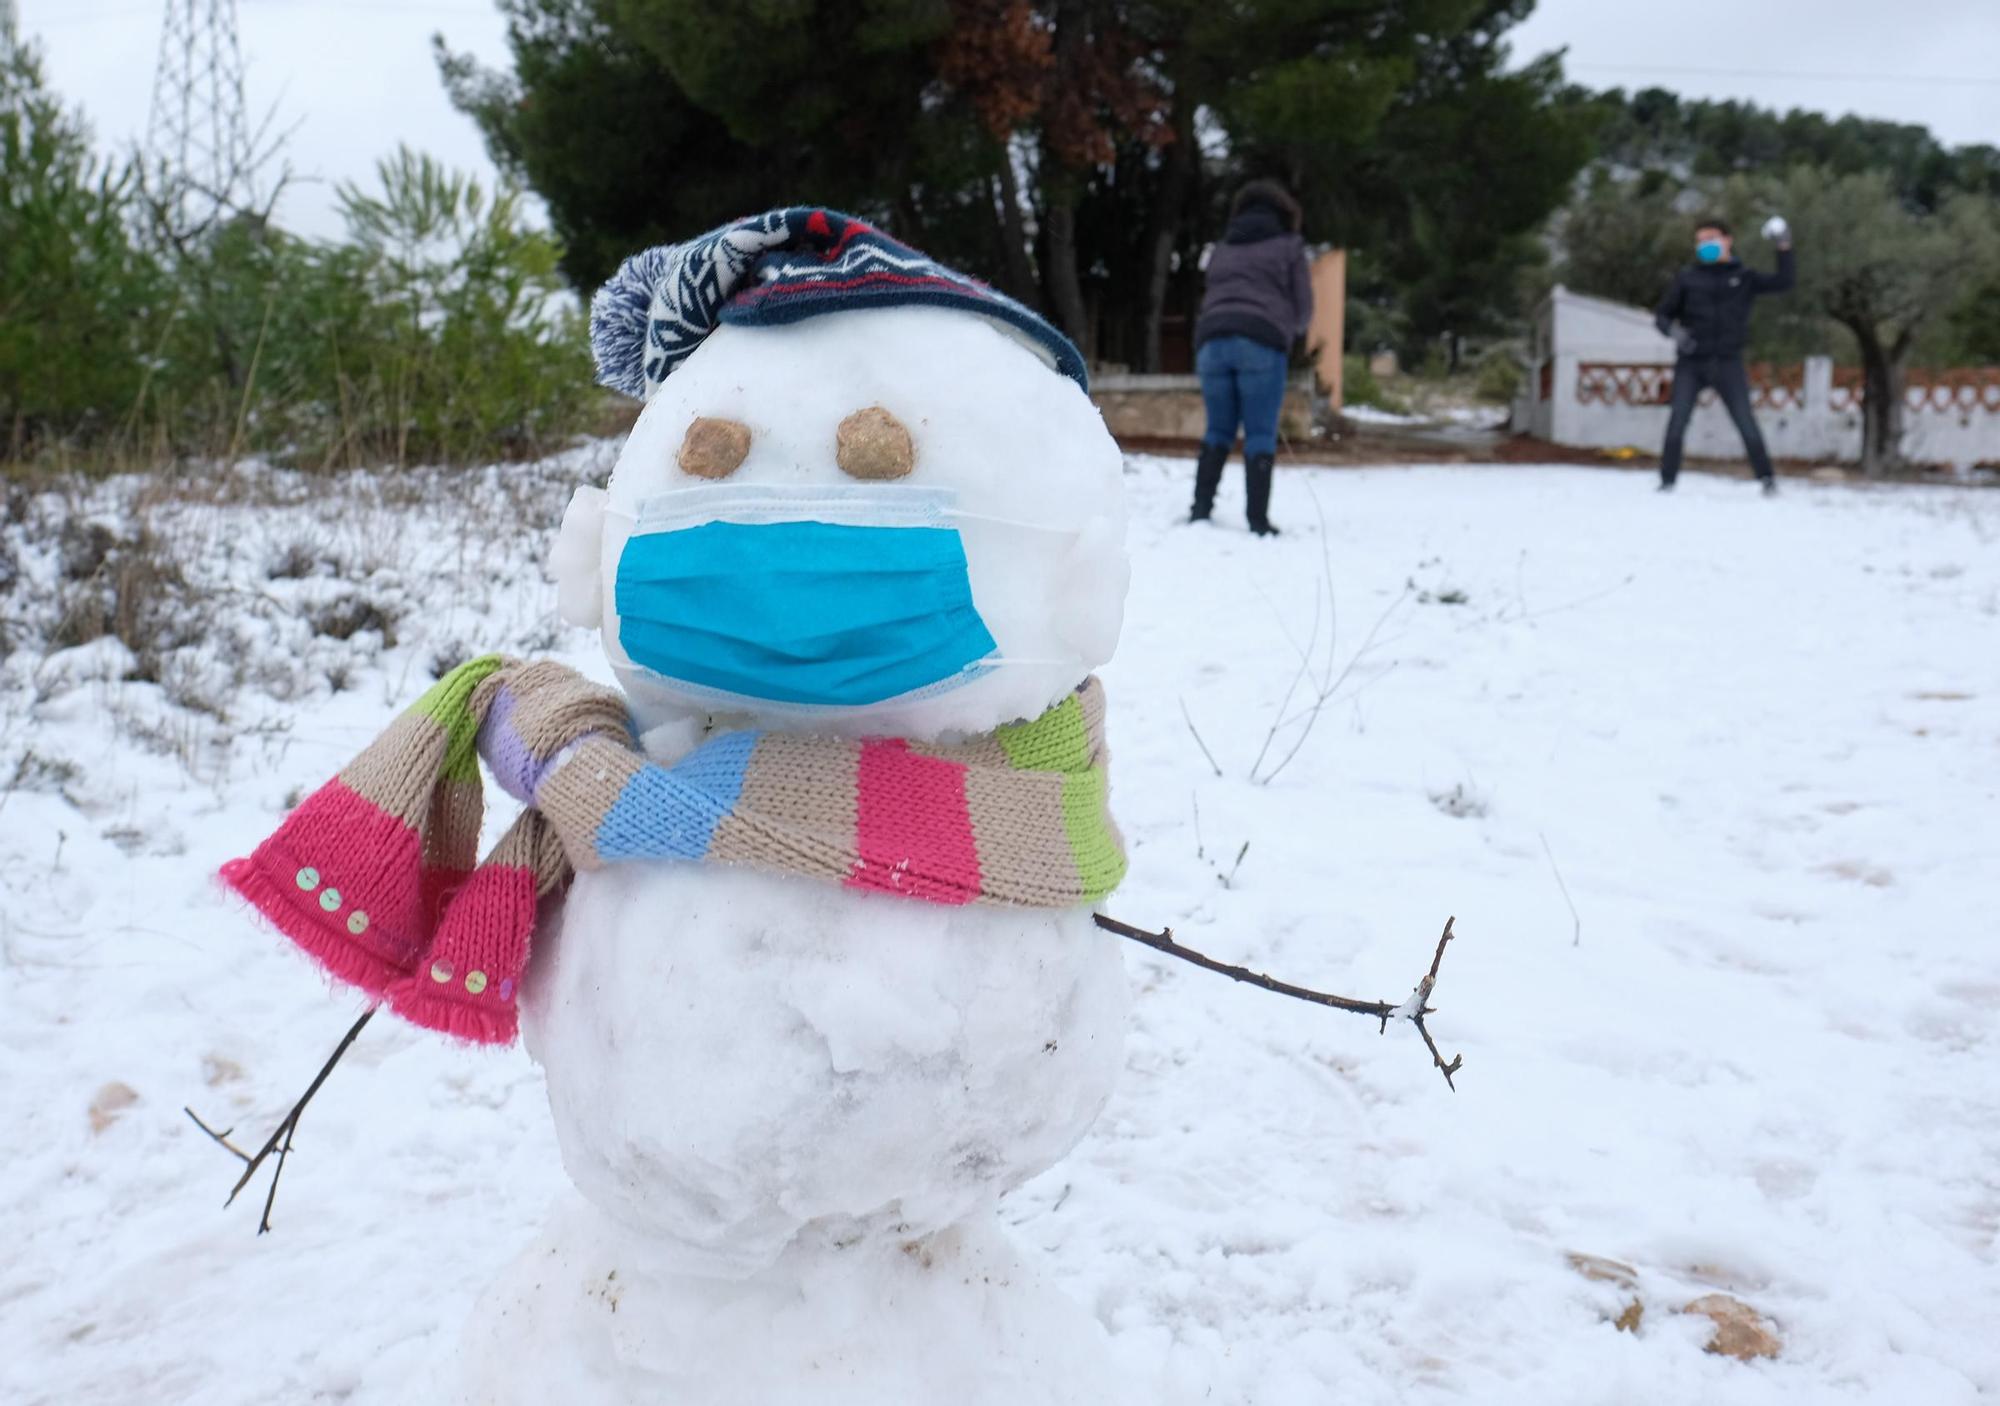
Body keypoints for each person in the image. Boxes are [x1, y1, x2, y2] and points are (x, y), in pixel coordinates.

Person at [1189, 179, 1314, 535]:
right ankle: (1257, 521)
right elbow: (1304, 307)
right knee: (1260, 432)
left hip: (1212, 341)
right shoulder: (1289, 246)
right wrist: (1289, 331)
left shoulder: (1222, 249)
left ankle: (1200, 510)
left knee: (1217, 429)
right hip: (1262, 340)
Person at [1653, 214, 1796, 495]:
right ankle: (1667, 481)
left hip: (1728, 362)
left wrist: (1784, 246)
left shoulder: (1743, 278)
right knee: (1677, 422)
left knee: (1746, 422)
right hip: (1691, 362)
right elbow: (1662, 316)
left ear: (1727, 241)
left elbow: (1784, 281)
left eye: (1710, 239)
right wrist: (1676, 334)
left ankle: (1766, 480)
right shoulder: (1687, 278)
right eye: (1700, 241)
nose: (1704, 245)